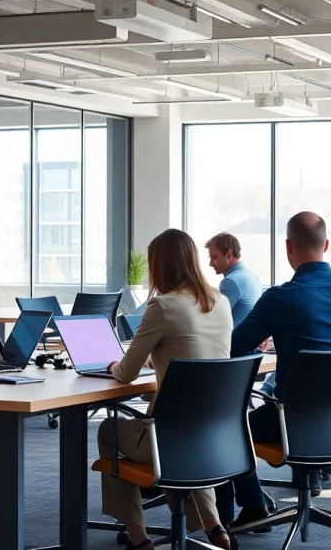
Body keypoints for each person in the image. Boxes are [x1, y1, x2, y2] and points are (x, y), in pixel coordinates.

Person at [219, 211, 331, 530]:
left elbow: (232, 348)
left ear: (288, 247)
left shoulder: (280, 298)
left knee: (225, 427)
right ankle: (313, 471)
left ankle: (249, 508)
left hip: (292, 423)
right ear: (326, 244)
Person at [101, 229, 235, 550]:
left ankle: (138, 534)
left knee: (108, 429)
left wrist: (113, 367)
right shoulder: (221, 301)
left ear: (159, 265)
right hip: (213, 434)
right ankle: (213, 524)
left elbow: (125, 373)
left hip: (168, 441)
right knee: (189, 428)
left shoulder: (163, 306)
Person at [205, 232, 262, 328]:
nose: (211, 264)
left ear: (229, 255)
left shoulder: (231, 282)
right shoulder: (252, 276)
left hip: (234, 340)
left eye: (214, 258)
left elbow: (214, 318)